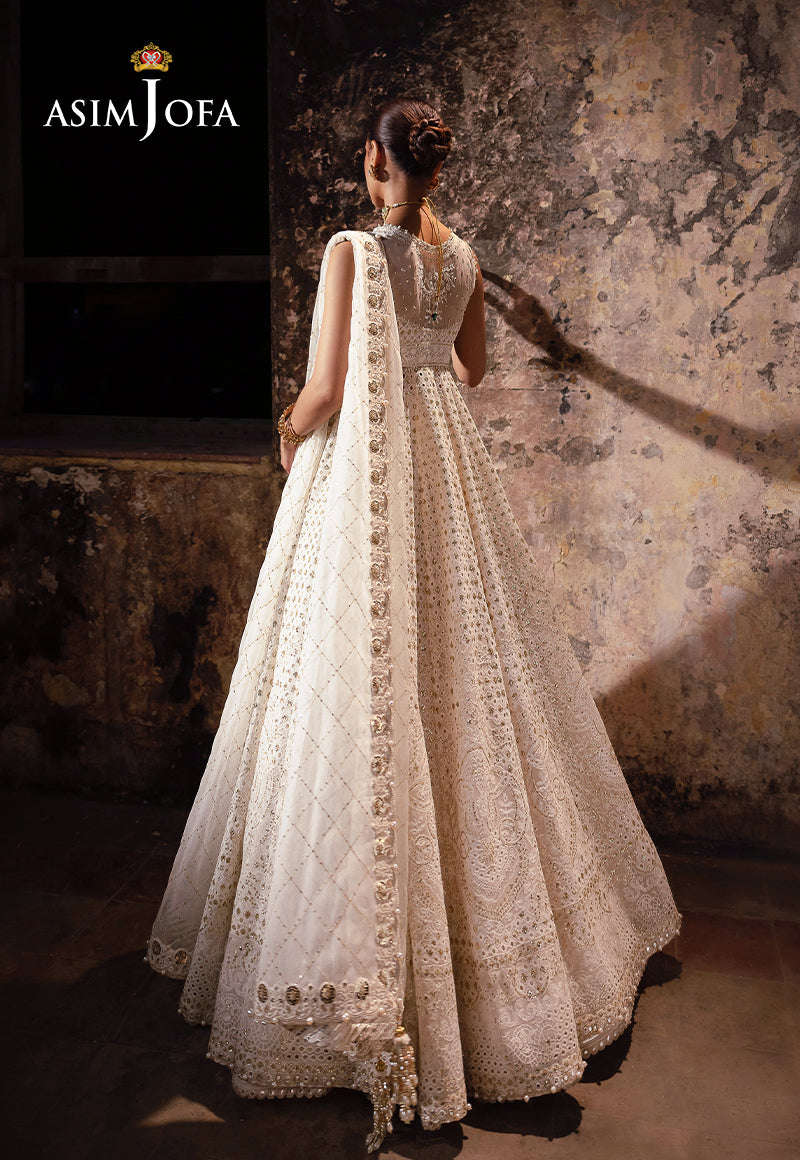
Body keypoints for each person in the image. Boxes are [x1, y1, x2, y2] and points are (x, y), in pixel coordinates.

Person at [147, 97, 680, 1151]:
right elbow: (470, 372)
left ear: (371, 162)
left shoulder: (352, 251)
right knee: (467, 674)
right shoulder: (462, 258)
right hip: (443, 462)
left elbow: (326, 389)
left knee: (350, 674)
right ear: (435, 168)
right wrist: (430, 346)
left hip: (367, 476)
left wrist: (286, 430)